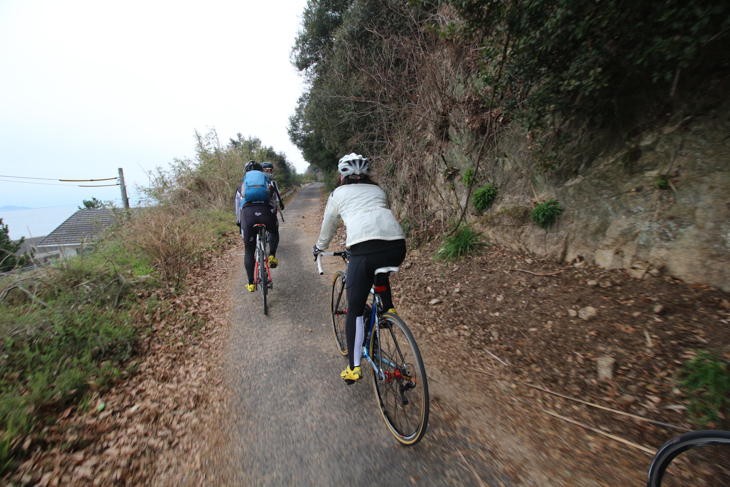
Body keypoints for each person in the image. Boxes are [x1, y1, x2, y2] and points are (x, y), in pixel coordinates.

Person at [313, 153, 406, 384]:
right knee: (379, 266)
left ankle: (354, 368)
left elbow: (329, 225)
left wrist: (319, 248)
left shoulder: (337, 194)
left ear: (341, 175)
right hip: (396, 246)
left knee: (354, 310)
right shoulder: (378, 191)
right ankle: (389, 310)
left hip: (363, 250)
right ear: (365, 174)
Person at [235, 160, 280, 292]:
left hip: (248, 216)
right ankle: (271, 255)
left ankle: (251, 283)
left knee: (249, 251)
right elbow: (274, 202)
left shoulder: (241, 186)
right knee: (273, 230)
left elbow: (238, 208)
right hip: (266, 213)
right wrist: (273, 217)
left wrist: (239, 221)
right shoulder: (267, 183)